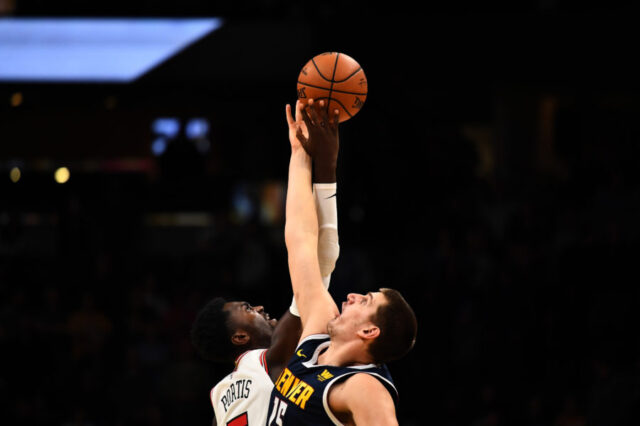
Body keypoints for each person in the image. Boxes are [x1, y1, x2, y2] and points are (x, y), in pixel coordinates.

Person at [265, 99, 417, 425]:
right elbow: (302, 243)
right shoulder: (319, 332)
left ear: (368, 330)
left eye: (365, 300)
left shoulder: (364, 387)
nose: (351, 296)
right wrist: (300, 154)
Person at [190, 100, 341, 426]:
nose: (259, 308)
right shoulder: (269, 361)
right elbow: (319, 266)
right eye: (247, 308)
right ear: (240, 337)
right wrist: (324, 165)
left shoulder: (218, 397)